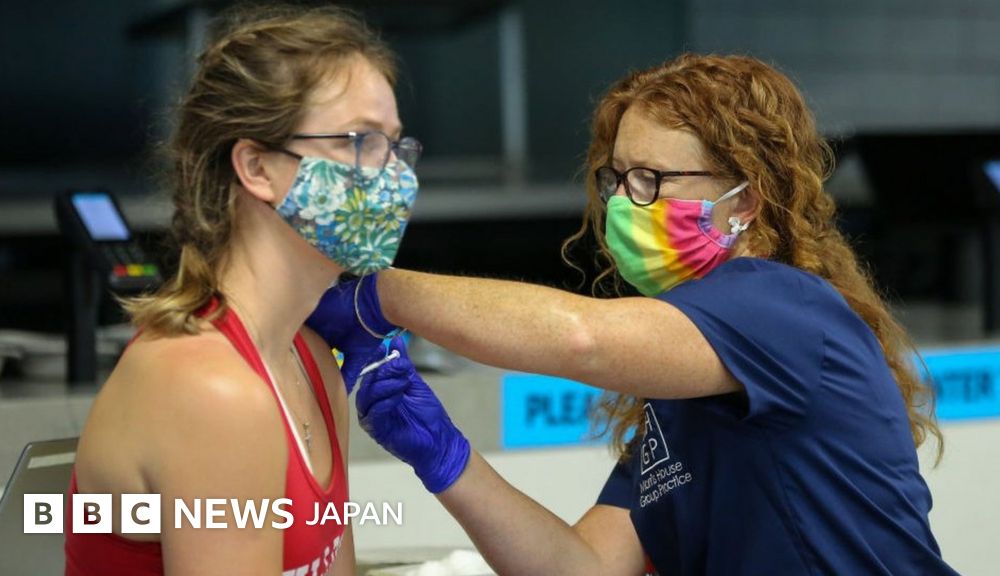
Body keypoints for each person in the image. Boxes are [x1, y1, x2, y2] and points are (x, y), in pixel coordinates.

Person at [307, 54, 961, 575]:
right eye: (616, 179)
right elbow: (584, 568)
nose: (623, 203)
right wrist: (446, 459)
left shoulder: (778, 304)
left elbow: (581, 337)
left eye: (651, 180)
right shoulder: (683, 393)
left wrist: (379, 295)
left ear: (744, 201)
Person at [66, 5, 422, 575]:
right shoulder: (211, 390)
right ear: (256, 167)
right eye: (361, 141)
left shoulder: (311, 360)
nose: (397, 176)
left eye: (397, 146)